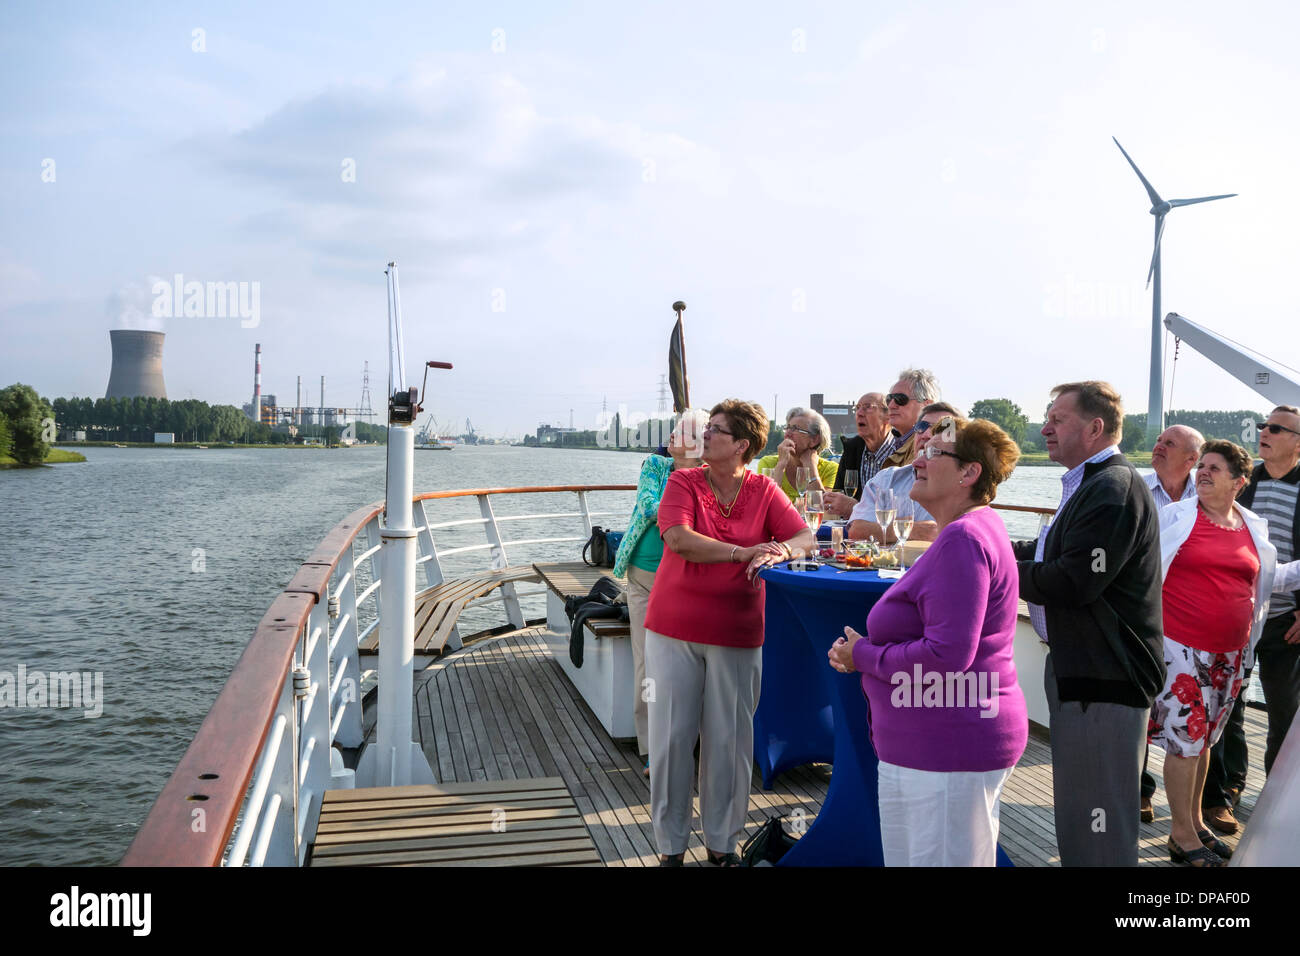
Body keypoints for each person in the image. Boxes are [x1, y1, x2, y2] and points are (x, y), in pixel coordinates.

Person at [828, 416, 1027, 866]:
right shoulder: (973, 529)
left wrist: (863, 654)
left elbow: (947, 655)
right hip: (936, 743)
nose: (917, 458)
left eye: (933, 453)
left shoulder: (963, 538)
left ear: (968, 473)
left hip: (947, 746)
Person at [644, 399, 815, 866]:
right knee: (672, 740)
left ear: (741, 445)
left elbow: (806, 537)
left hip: (738, 631)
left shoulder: (764, 489)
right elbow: (676, 538)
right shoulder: (683, 481)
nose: (704, 436)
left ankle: (723, 846)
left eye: (715, 430)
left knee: (730, 743)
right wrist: (743, 553)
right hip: (674, 627)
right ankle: (670, 850)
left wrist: (778, 550)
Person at [1013, 381, 1164, 866]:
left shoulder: (1113, 490)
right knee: (1082, 820)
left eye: (1057, 419)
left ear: (1095, 428)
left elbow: (1075, 581)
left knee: (1098, 829)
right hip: (1084, 673)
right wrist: (987, 544)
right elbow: (1046, 557)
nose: (1044, 428)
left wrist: (991, 568)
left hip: (1105, 680)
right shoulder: (1093, 485)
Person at [1149, 441, 1275, 866]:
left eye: (1214, 468)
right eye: (1201, 466)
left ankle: (1197, 823)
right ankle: (1181, 836)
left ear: (1239, 482)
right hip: (1181, 650)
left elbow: (1267, 579)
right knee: (1185, 744)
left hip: (1232, 655)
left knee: (1204, 745)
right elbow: (1141, 572)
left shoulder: (1251, 525)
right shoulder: (1175, 518)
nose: (1202, 473)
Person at [1201, 405, 1300, 835]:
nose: (1264, 433)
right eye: (1264, 426)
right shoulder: (1244, 481)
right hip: (1237, 615)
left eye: (1276, 429)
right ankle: (1225, 795)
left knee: (1284, 714)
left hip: (1288, 621)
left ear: (1298, 441)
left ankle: (1274, 804)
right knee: (1228, 708)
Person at [612, 409, 709, 776]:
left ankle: (688, 743)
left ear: (699, 443)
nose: (671, 436)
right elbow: (650, 504)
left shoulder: (709, 477)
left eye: (681, 432)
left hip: (686, 579)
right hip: (643, 575)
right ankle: (653, 749)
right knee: (648, 665)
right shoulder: (655, 465)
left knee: (688, 665)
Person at [1139, 423, 1203, 821]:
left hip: (1194, 622)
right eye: (1159, 441)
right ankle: (1140, 791)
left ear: (1191, 460)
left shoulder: (1210, 495)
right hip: (1145, 616)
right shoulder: (1137, 489)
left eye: (1169, 444)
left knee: (1200, 717)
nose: (1158, 447)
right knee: (1142, 704)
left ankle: (1211, 802)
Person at [845, 402, 960, 542]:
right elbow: (857, 530)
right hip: (885, 563)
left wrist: (884, 531)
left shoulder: (964, 487)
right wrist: (914, 531)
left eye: (939, 430)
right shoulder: (887, 478)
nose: (926, 435)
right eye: (922, 427)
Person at [824, 393, 891, 518]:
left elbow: (904, 509)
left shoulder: (901, 450)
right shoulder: (851, 449)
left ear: (888, 416)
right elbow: (838, 494)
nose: (859, 413)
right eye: (857, 408)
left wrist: (854, 508)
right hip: (854, 532)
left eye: (867, 407)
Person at [753, 406, 837, 503]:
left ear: (814, 440)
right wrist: (780, 465)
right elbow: (765, 504)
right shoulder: (768, 463)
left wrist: (811, 468)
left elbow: (821, 507)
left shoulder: (830, 469)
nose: (787, 434)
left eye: (795, 429)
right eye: (787, 428)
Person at [878, 368, 942, 469]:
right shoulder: (893, 444)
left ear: (927, 405)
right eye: (889, 399)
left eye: (900, 399)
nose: (891, 405)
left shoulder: (932, 446)